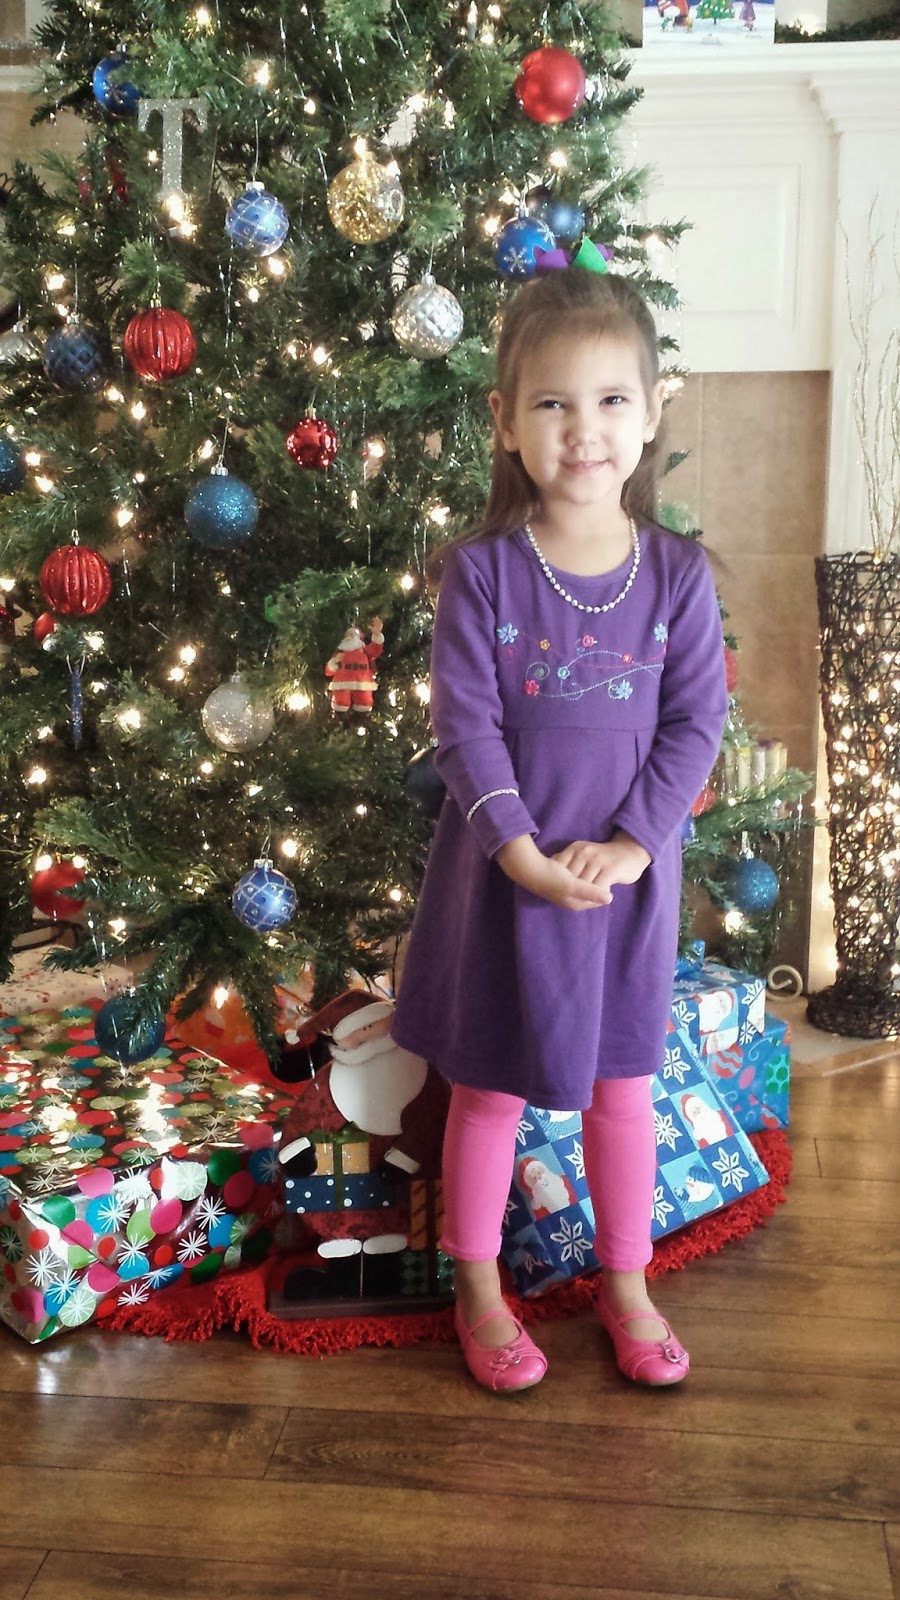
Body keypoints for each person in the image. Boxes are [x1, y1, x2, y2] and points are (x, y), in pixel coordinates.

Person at [391, 266, 729, 1393]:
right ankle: (478, 1287)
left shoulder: (677, 576)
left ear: (652, 410)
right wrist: (523, 855)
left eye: (611, 400)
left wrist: (632, 845)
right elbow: (464, 731)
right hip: (505, 877)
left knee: (623, 1087)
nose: (584, 429)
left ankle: (627, 1283)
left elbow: (695, 724)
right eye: (552, 403)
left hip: (625, 889)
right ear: (505, 420)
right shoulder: (481, 575)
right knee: (489, 1088)